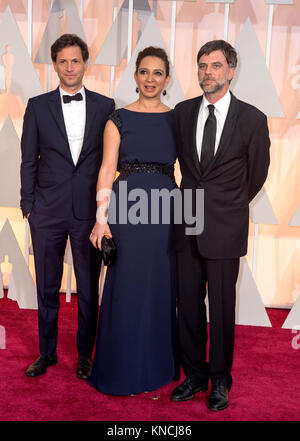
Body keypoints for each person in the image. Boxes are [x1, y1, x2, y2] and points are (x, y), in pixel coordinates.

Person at [170, 40, 270, 411]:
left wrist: (227, 205)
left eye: (214, 66)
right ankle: (193, 375)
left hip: (226, 227)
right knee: (189, 305)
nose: (206, 72)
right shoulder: (181, 113)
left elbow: (256, 174)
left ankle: (220, 380)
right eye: (201, 66)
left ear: (230, 71)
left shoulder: (252, 119)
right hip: (187, 222)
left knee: (223, 308)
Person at [20, 34, 115, 379]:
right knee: (47, 286)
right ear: (55, 64)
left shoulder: (107, 106)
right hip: (45, 211)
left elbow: (111, 159)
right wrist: (28, 205)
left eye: (76, 60)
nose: (70, 67)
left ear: (85, 63)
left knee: (89, 290)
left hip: (89, 214)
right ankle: (46, 353)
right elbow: (28, 158)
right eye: (63, 61)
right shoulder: (37, 105)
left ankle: (85, 356)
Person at [88, 46, 178, 395]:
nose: (150, 79)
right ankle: (120, 367)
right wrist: (101, 218)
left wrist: (193, 219)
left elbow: (193, 172)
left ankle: (159, 365)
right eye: (144, 72)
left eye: (157, 73)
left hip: (166, 210)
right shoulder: (118, 118)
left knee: (160, 287)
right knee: (125, 287)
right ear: (135, 76)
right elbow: (107, 170)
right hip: (128, 209)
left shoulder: (178, 117)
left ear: (167, 79)